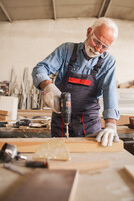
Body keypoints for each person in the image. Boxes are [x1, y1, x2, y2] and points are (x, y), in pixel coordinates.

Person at [32, 17, 120, 146]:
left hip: (89, 124)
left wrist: (111, 125)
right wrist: (48, 87)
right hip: (60, 121)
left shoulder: (108, 62)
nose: (97, 49)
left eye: (104, 47)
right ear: (88, 32)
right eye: (96, 41)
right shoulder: (66, 50)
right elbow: (39, 69)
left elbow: (109, 92)